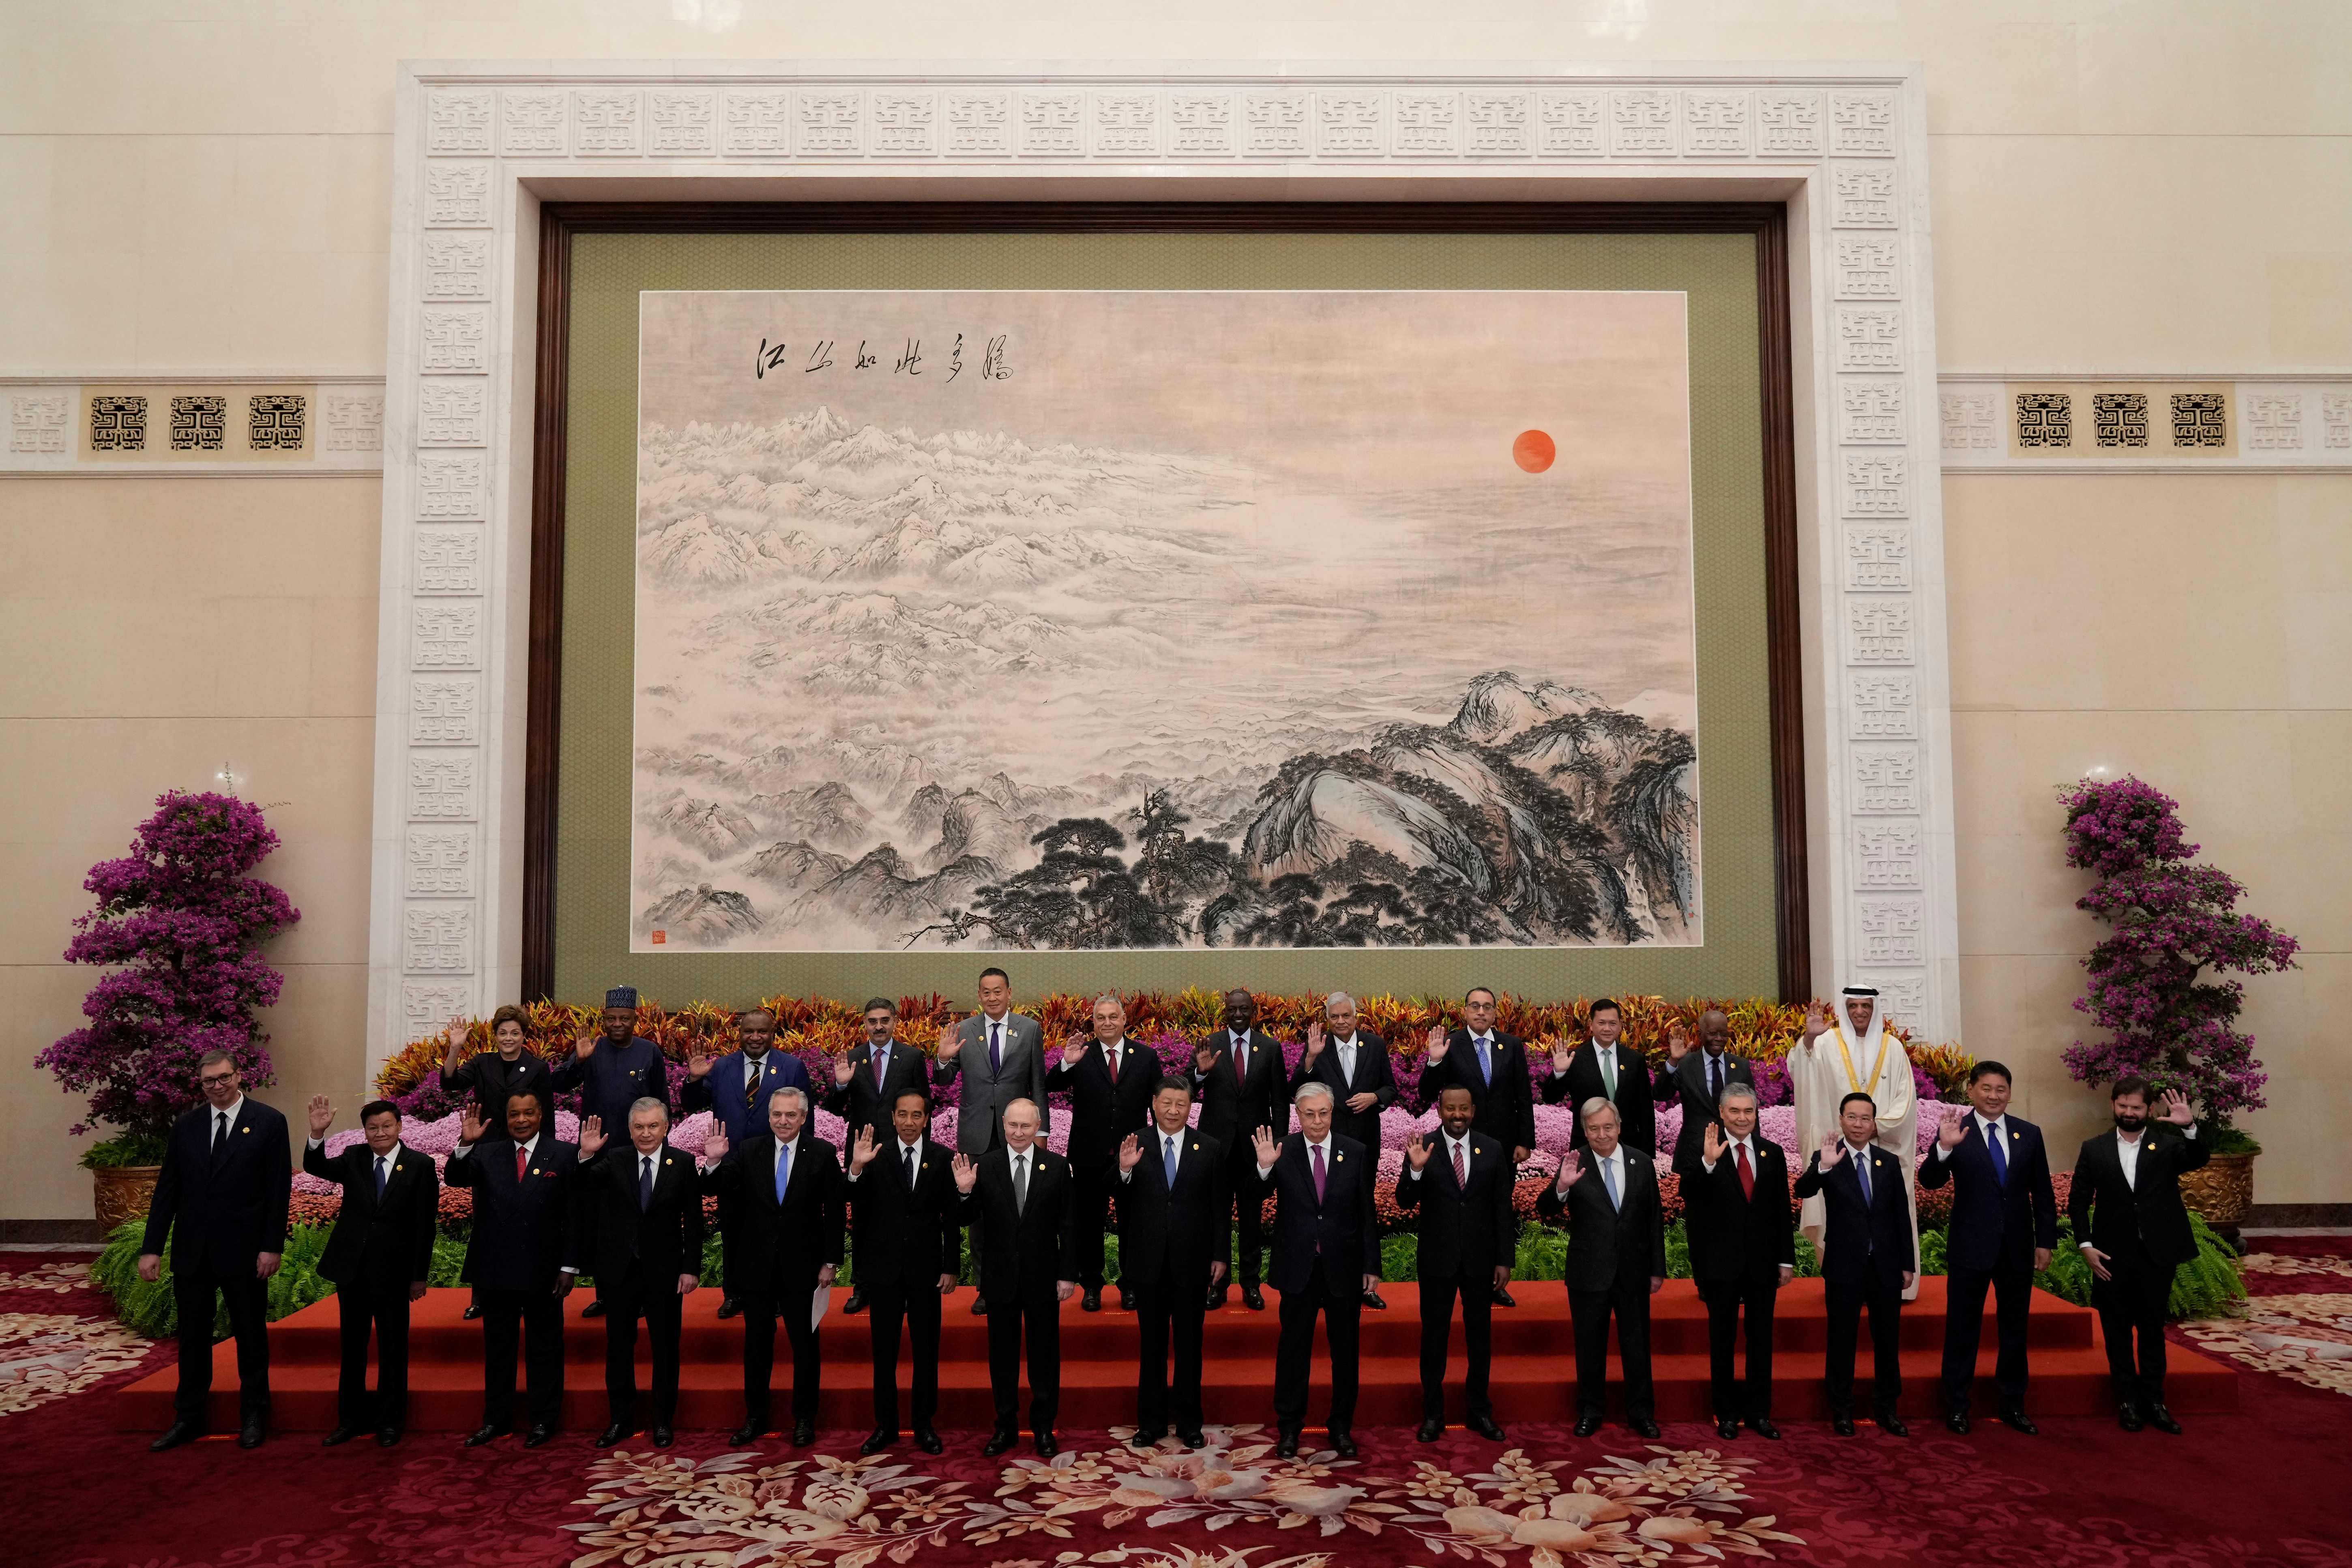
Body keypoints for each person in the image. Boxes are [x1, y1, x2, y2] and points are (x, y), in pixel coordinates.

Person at [140, 1050, 292, 1452]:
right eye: (209, 1081)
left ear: (239, 1076)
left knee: (250, 1337)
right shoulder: (186, 1126)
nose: (218, 1086)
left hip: (246, 1252)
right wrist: (151, 1248)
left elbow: (279, 1192)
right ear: (201, 1084)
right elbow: (168, 1190)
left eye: (224, 1078)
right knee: (192, 1338)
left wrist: (271, 1247)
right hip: (194, 1252)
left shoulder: (269, 1122)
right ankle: (189, 1417)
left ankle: (255, 1415)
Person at [1917, 1060, 2056, 1434]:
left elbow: (2042, 1191)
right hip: (1970, 1246)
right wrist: (1943, 1149)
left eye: (2001, 1089)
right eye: (1987, 1088)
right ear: (1972, 1090)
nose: (1994, 1096)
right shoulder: (1954, 1129)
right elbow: (1929, 1180)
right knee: (1963, 1329)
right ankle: (1958, 1406)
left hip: (2016, 1247)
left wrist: (2046, 1240)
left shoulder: (2029, 1133)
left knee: (2015, 1328)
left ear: (2009, 1093)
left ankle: (2012, 1404)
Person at [700, 1086, 843, 1446]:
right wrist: (714, 1161)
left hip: (805, 1268)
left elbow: (835, 1212)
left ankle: (805, 1420)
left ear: (803, 1117)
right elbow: (719, 1186)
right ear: (769, 1117)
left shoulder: (823, 1153)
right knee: (757, 1346)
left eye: (791, 1115)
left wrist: (830, 1261)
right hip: (757, 1268)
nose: (783, 1121)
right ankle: (755, 1418)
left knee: (806, 1347)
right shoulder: (749, 1150)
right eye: (777, 1114)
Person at [443, 1090, 580, 1448]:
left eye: (529, 1113)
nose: (521, 1120)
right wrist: (464, 1143)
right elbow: (455, 1178)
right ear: (507, 1118)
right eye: (514, 1114)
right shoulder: (487, 1153)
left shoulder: (564, 1154)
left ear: (540, 1115)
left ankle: (543, 1421)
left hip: (546, 1272)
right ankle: (496, 1420)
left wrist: (569, 1266)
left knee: (545, 1349)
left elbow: (576, 1215)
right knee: (499, 1349)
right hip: (497, 1271)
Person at [2069, 1078, 2206, 1433]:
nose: (2129, 1113)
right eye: (2123, 1106)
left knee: (2151, 1329)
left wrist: (2189, 1125)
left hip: (2157, 1255)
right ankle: (2127, 1402)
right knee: (2116, 1332)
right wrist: (2085, 1246)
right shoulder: (2093, 1148)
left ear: (2150, 1110)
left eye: (2137, 1108)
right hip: (2110, 1257)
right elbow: (2079, 1202)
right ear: (2113, 1104)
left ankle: (2155, 1401)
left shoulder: (2169, 1146)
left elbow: (2199, 1157)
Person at [302, 1095, 438, 1447]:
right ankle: (351, 1420)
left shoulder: (420, 1165)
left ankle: (390, 1422)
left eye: (386, 1126)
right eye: (373, 1127)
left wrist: (418, 1275)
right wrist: (317, 1133)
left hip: (394, 1273)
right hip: (354, 1271)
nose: (380, 1133)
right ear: (365, 1131)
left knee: (394, 1349)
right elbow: (316, 1166)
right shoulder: (354, 1158)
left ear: (400, 1126)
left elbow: (426, 1225)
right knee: (353, 1348)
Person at [1252, 1081, 1378, 1459]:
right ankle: (1289, 1428)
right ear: (1299, 1115)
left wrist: (1372, 1265)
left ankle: (1340, 1428)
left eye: (1324, 1112)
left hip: (1344, 1267)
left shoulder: (1354, 1152)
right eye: (1310, 1113)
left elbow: (1366, 1211)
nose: (1318, 1120)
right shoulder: (1282, 1150)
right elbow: (1258, 1195)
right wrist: (1263, 1167)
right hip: (1298, 1269)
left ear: (1333, 1112)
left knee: (1346, 1353)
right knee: (1294, 1352)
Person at [573, 1097, 703, 1449]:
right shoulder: (614, 1159)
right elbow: (581, 1187)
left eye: (653, 1126)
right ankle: (621, 1420)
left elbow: (694, 1221)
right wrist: (585, 1155)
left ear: (666, 1127)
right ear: (630, 1129)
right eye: (639, 1127)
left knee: (665, 1349)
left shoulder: (683, 1163)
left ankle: (663, 1422)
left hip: (666, 1273)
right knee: (619, 1348)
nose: (646, 1133)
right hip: (619, 1272)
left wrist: (691, 1268)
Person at [954, 1098, 1079, 1458]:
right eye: (1014, 1126)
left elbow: (1069, 1225)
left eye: (1027, 1126)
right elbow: (968, 1220)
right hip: (1000, 1279)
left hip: (1044, 1279)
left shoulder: (1057, 1167)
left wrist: (1067, 1274)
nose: (1019, 1133)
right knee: (1003, 1358)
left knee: (1044, 1358)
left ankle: (1043, 1428)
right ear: (1004, 1125)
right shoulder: (986, 1165)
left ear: (1038, 1125)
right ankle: (1005, 1427)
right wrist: (964, 1192)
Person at [1537, 1098, 1668, 1437]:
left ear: (1620, 1126)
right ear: (1585, 1130)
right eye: (1594, 1128)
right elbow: (1545, 1209)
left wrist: (1657, 1269)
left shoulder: (1641, 1162)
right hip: (1589, 1271)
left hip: (1634, 1271)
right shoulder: (1574, 1161)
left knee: (1637, 1346)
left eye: (1608, 1127)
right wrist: (1562, 1187)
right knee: (1590, 1346)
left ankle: (1642, 1413)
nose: (1602, 1134)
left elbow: (1654, 1219)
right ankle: (1590, 1411)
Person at [1394, 1084, 1513, 1442]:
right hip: (1437, 1261)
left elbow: (1501, 1211)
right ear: (1440, 1110)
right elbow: (1403, 1200)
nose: (1457, 1115)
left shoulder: (1492, 1149)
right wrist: (1415, 1171)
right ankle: (1433, 1414)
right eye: (1450, 1109)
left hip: (1480, 1262)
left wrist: (1504, 1260)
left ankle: (1480, 1412)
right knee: (1434, 1339)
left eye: (1463, 1108)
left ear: (1473, 1110)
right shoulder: (1423, 1147)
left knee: (1480, 1340)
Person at [1794, 1091, 1917, 1436]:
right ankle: (1842, 1409)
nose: (1859, 1124)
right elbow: (1802, 1189)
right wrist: (1822, 1167)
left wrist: (1907, 1264)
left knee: (1887, 1340)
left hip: (1886, 1266)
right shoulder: (1829, 1157)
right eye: (1852, 1117)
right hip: (1844, 1266)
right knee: (1842, 1340)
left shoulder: (1888, 1162)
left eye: (1866, 1118)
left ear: (1874, 1123)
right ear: (1841, 1119)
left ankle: (1887, 1408)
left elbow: (1900, 1217)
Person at [1114, 1077, 1229, 1448]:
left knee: (1190, 1346)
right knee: (1151, 1347)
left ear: (1191, 1105)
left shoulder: (1209, 1148)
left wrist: (1220, 1255)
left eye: (1181, 1104)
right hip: (1147, 1263)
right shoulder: (1135, 1142)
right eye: (1167, 1103)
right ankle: (1150, 1424)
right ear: (1154, 1102)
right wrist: (1124, 1170)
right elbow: (1111, 1192)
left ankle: (1189, 1424)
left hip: (1192, 1264)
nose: (1173, 1110)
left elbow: (1220, 1209)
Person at [1675, 1082, 1793, 1440]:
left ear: (1756, 1114)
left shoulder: (1772, 1153)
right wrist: (1709, 1162)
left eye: (1749, 1111)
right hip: (1720, 1264)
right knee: (1723, 1340)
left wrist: (1785, 1260)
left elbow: (1780, 1211)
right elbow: (1689, 1193)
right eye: (1735, 1111)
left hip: (1762, 1264)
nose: (1743, 1118)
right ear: (1722, 1114)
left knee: (1761, 1341)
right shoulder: (1704, 1148)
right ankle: (1726, 1413)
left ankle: (1759, 1413)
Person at [846, 1086, 960, 1454]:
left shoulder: (943, 1158)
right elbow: (855, 1207)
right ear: (892, 1118)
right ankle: (887, 1426)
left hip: (927, 1271)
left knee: (927, 1353)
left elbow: (951, 1220)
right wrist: (856, 1168)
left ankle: (924, 1425)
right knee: (885, 1353)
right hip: (885, 1271)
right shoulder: (874, 1155)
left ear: (926, 1119)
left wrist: (951, 1266)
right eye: (902, 1115)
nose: (909, 1122)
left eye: (916, 1115)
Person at [679, 1006, 813, 1320]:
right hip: (733, 1166)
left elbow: (805, 1121)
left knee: (777, 1235)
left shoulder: (792, 1067)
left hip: (777, 1166)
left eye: (762, 1031)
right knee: (734, 1232)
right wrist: (694, 1080)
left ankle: (778, 1294)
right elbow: (691, 1104)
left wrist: (801, 1165)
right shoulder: (721, 1067)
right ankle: (733, 1294)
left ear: (772, 1033)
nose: (755, 1037)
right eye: (748, 1031)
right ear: (738, 1034)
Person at [1791, 987, 1921, 1301]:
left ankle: (1893, 1279)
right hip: (1838, 1151)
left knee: (1887, 1213)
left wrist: (1875, 1127)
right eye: (1853, 1005)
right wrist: (1808, 1040)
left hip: (1883, 1151)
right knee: (1842, 1214)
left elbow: (1906, 1098)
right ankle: (1845, 1283)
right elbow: (1800, 1069)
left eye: (1865, 1005)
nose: (1860, 1011)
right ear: (1845, 1009)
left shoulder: (1893, 1048)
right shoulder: (1824, 1042)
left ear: (1874, 1008)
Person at [932, 968, 1048, 1315]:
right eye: (986, 992)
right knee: (980, 1216)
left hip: (1019, 1135)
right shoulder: (965, 1031)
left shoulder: (1029, 1029)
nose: (993, 997)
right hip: (977, 1135)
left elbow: (1038, 1083)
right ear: (979, 995)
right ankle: (986, 1287)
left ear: (1009, 993)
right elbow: (943, 1080)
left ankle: (1022, 1282)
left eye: (999, 991)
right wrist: (942, 1058)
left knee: (1020, 1212)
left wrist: (1041, 1133)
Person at [552, 985, 672, 1319]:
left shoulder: (650, 1051)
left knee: (641, 1224)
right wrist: (578, 1060)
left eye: (624, 1018)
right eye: (611, 1018)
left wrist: (659, 1144)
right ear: (603, 1020)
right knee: (604, 1226)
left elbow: (662, 1101)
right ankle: (608, 1295)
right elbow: (558, 1085)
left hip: (640, 1154)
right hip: (601, 1154)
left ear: (635, 1019)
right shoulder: (592, 1049)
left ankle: (646, 1296)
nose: (617, 1023)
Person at [1414, 987, 1534, 1306]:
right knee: (1462, 1208)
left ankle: (1496, 1280)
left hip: (1501, 1149)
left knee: (1497, 1209)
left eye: (1487, 1007)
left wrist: (1525, 1140)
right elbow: (1427, 1093)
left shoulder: (1511, 1045)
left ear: (1496, 1013)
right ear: (1465, 1011)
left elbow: (1523, 1095)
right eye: (1475, 1006)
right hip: (1459, 1144)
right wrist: (1434, 1061)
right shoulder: (1451, 1044)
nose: (1481, 1012)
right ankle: (1457, 1273)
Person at [438, 1005, 556, 1321]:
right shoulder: (481, 1063)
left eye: (514, 1033)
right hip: (488, 1155)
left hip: (527, 1154)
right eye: (503, 1033)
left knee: (529, 1221)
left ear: (524, 1035)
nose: (508, 1038)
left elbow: (547, 1116)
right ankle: (480, 1297)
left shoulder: (537, 1067)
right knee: (486, 1225)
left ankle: (526, 1290)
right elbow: (450, 1083)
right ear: (495, 1036)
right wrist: (455, 1048)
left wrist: (549, 1155)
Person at [1045, 993, 1161, 1311]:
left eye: (1113, 1016)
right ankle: (1092, 1285)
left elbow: (1161, 1100)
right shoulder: (1081, 1055)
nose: (1107, 1022)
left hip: (1132, 1155)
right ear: (1093, 1022)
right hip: (1088, 1155)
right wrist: (1066, 1061)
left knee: (1132, 1222)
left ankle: (1131, 1285)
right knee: (1088, 1223)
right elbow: (1049, 1085)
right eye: (1101, 1018)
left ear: (1125, 1020)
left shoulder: (1146, 1056)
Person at [825, 997, 934, 1314]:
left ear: (896, 1021)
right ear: (864, 1023)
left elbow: (924, 1106)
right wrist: (841, 1085)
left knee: (900, 1219)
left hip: (902, 1151)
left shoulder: (912, 1056)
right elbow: (833, 1107)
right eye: (872, 1021)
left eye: (884, 1020)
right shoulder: (853, 1058)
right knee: (863, 1219)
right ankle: (862, 1287)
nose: (879, 1026)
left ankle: (900, 1285)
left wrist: (921, 1153)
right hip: (862, 1151)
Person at [1290, 992, 1396, 1308]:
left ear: (1356, 1016)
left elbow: (1391, 1087)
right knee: (1327, 1208)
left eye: (1345, 1016)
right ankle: (1327, 1281)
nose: (1340, 1022)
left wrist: (1374, 1097)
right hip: (1326, 1144)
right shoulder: (1319, 1047)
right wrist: (1309, 1058)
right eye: (1334, 1017)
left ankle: (1369, 1281)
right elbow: (1295, 1088)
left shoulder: (1374, 1045)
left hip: (1363, 1144)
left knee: (1363, 1206)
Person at [1188, 988, 1287, 1310]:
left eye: (1244, 1009)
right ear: (1225, 1011)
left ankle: (1250, 1284)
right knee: (1215, 1219)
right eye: (1233, 1009)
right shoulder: (1209, 1045)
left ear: (1253, 1010)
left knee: (1251, 1221)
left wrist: (1278, 1142)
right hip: (1216, 1148)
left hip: (1254, 1149)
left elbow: (1279, 1100)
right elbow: (1186, 1090)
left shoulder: (1270, 1048)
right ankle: (1217, 1286)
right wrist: (1201, 1072)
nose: (1238, 1014)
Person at [1542, 998, 1658, 1155]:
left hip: (1628, 1147)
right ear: (1591, 1025)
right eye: (1602, 1023)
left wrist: (1647, 1154)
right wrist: (1559, 1073)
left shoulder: (1634, 1060)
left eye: (1613, 1023)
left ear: (1620, 1026)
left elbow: (1646, 1111)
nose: (1607, 1029)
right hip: (1586, 1146)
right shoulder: (1575, 1059)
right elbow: (1550, 1098)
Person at [1654, 1009, 1755, 1169]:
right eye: (1713, 1033)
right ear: (1700, 1034)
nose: (1719, 1039)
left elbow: (1751, 1112)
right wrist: (1673, 1060)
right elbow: (1660, 1095)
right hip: (1694, 1154)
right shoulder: (1685, 1064)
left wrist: (1753, 1151)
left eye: (1724, 1034)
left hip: (1733, 1152)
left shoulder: (1741, 1066)